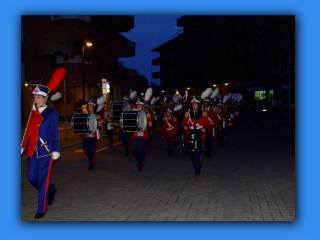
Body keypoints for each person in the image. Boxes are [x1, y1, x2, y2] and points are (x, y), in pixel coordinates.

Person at [21, 85, 61, 219]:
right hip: (32, 151)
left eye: (39, 97)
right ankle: (50, 191)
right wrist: (23, 146)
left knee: (43, 179)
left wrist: (56, 149)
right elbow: (28, 132)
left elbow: (55, 132)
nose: (35, 100)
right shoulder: (32, 112)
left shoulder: (51, 113)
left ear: (45, 99)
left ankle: (41, 209)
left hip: (46, 151)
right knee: (32, 177)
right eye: (34, 97)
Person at [181, 96, 210, 175]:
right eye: (193, 104)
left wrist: (205, 129)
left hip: (199, 135)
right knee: (190, 153)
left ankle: (197, 168)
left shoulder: (203, 113)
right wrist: (184, 126)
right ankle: (196, 165)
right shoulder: (188, 113)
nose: (194, 105)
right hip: (190, 134)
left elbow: (207, 124)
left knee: (198, 153)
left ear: (198, 104)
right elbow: (183, 122)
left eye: (196, 104)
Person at [131, 98, 152, 171]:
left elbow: (150, 123)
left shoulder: (147, 114)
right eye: (137, 105)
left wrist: (150, 124)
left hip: (143, 135)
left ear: (143, 106)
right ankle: (140, 159)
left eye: (139, 105)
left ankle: (140, 164)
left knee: (142, 151)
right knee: (133, 150)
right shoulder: (133, 113)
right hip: (135, 135)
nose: (138, 106)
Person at [82, 99, 101, 170]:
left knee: (92, 150)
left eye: (91, 107)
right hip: (86, 135)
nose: (89, 108)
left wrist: (99, 123)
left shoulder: (97, 115)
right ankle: (91, 158)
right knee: (85, 149)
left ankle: (91, 164)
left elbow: (99, 126)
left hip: (94, 135)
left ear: (94, 108)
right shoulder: (85, 115)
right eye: (88, 107)